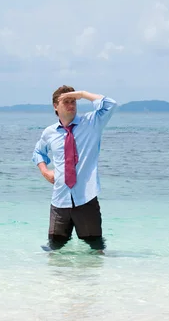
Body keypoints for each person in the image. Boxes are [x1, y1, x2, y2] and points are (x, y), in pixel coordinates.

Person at [32, 85, 118, 251]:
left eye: (74, 101)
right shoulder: (49, 132)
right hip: (59, 200)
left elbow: (110, 104)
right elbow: (38, 152)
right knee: (54, 250)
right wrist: (44, 171)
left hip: (86, 198)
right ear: (55, 106)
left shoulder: (92, 123)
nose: (71, 105)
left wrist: (83, 94)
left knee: (96, 250)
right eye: (66, 101)